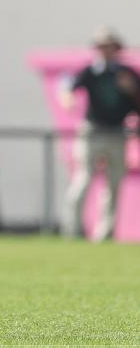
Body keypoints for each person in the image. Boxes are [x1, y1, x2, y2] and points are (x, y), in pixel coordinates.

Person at [60, 27, 140, 242]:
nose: (104, 50)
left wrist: (132, 90)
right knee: (83, 178)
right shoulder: (90, 71)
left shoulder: (126, 73)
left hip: (117, 132)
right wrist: (68, 98)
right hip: (93, 131)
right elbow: (69, 86)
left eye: (108, 46)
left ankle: (105, 232)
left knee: (114, 183)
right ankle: (72, 229)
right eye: (100, 46)